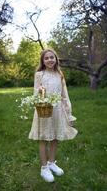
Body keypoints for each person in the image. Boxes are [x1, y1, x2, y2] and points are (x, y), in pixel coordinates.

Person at [29, 49, 78, 182]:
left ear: (56, 59)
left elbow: (64, 94)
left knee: (55, 137)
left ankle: (51, 163)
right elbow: (35, 94)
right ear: (43, 61)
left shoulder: (59, 74)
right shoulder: (40, 74)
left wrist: (69, 112)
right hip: (44, 110)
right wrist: (39, 92)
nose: (50, 60)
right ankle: (44, 168)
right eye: (46, 58)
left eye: (52, 57)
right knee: (44, 137)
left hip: (57, 111)